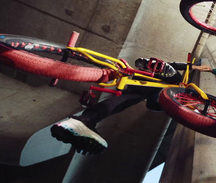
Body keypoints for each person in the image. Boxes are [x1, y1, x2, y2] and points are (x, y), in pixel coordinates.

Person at [51, 59, 186, 155]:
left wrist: (167, 106)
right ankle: (158, 67)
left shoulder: (160, 94)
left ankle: (83, 120)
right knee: (173, 82)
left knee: (131, 97)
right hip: (155, 80)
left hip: (149, 84)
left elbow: (152, 105)